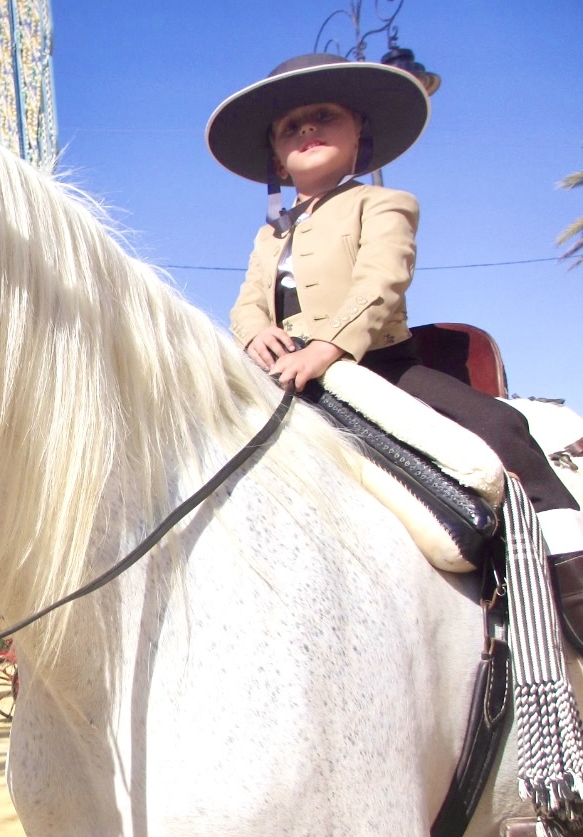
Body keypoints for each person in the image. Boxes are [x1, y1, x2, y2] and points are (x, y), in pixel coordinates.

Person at [205, 53, 583, 635]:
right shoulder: (269, 236)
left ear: (359, 135)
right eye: (291, 126)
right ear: (278, 157)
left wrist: (327, 345)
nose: (307, 129)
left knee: (501, 429)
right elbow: (247, 301)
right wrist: (256, 332)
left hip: (378, 364)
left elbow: (382, 280)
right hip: (285, 373)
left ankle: (569, 563)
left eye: (323, 116)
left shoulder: (385, 204)